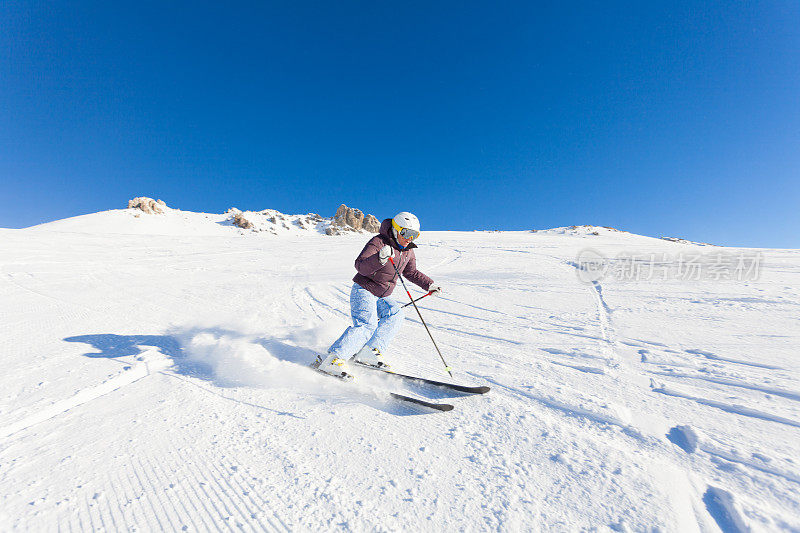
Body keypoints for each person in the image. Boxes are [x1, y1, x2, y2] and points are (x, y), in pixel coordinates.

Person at [315, 212, 441, 379]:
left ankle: (368, 352)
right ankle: (334, 359)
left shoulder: (408, 251)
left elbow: (411, 272)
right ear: (396, 230)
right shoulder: (379, 242)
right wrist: (380, 258)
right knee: (367, 324)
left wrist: (429, 284)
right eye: (406, 233)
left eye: (414, 235)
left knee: (395, 314)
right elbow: (360, 266)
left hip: (382, 295)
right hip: (364, 289)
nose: (409, 238)